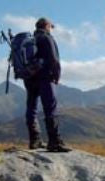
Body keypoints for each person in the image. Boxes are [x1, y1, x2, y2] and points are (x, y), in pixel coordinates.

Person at [24, 17, 71, 152]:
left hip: (29, 79)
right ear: (46, 26)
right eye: (51, 26)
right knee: (50, 107)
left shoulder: (30, 41)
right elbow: (54, 58)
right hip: (45, 77)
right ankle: (54, 142)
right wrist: (56, 75)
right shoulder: (46, 38)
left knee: (31, 107)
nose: (51, 29)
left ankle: (35, 140)